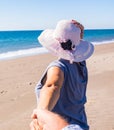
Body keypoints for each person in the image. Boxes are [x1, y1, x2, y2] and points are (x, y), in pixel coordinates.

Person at [31, 19, 94, 130]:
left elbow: (53, 86)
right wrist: (77, 33)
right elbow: (75, 49)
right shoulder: (81, 65)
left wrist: (42, 113)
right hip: (81, 126)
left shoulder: (58, 67)